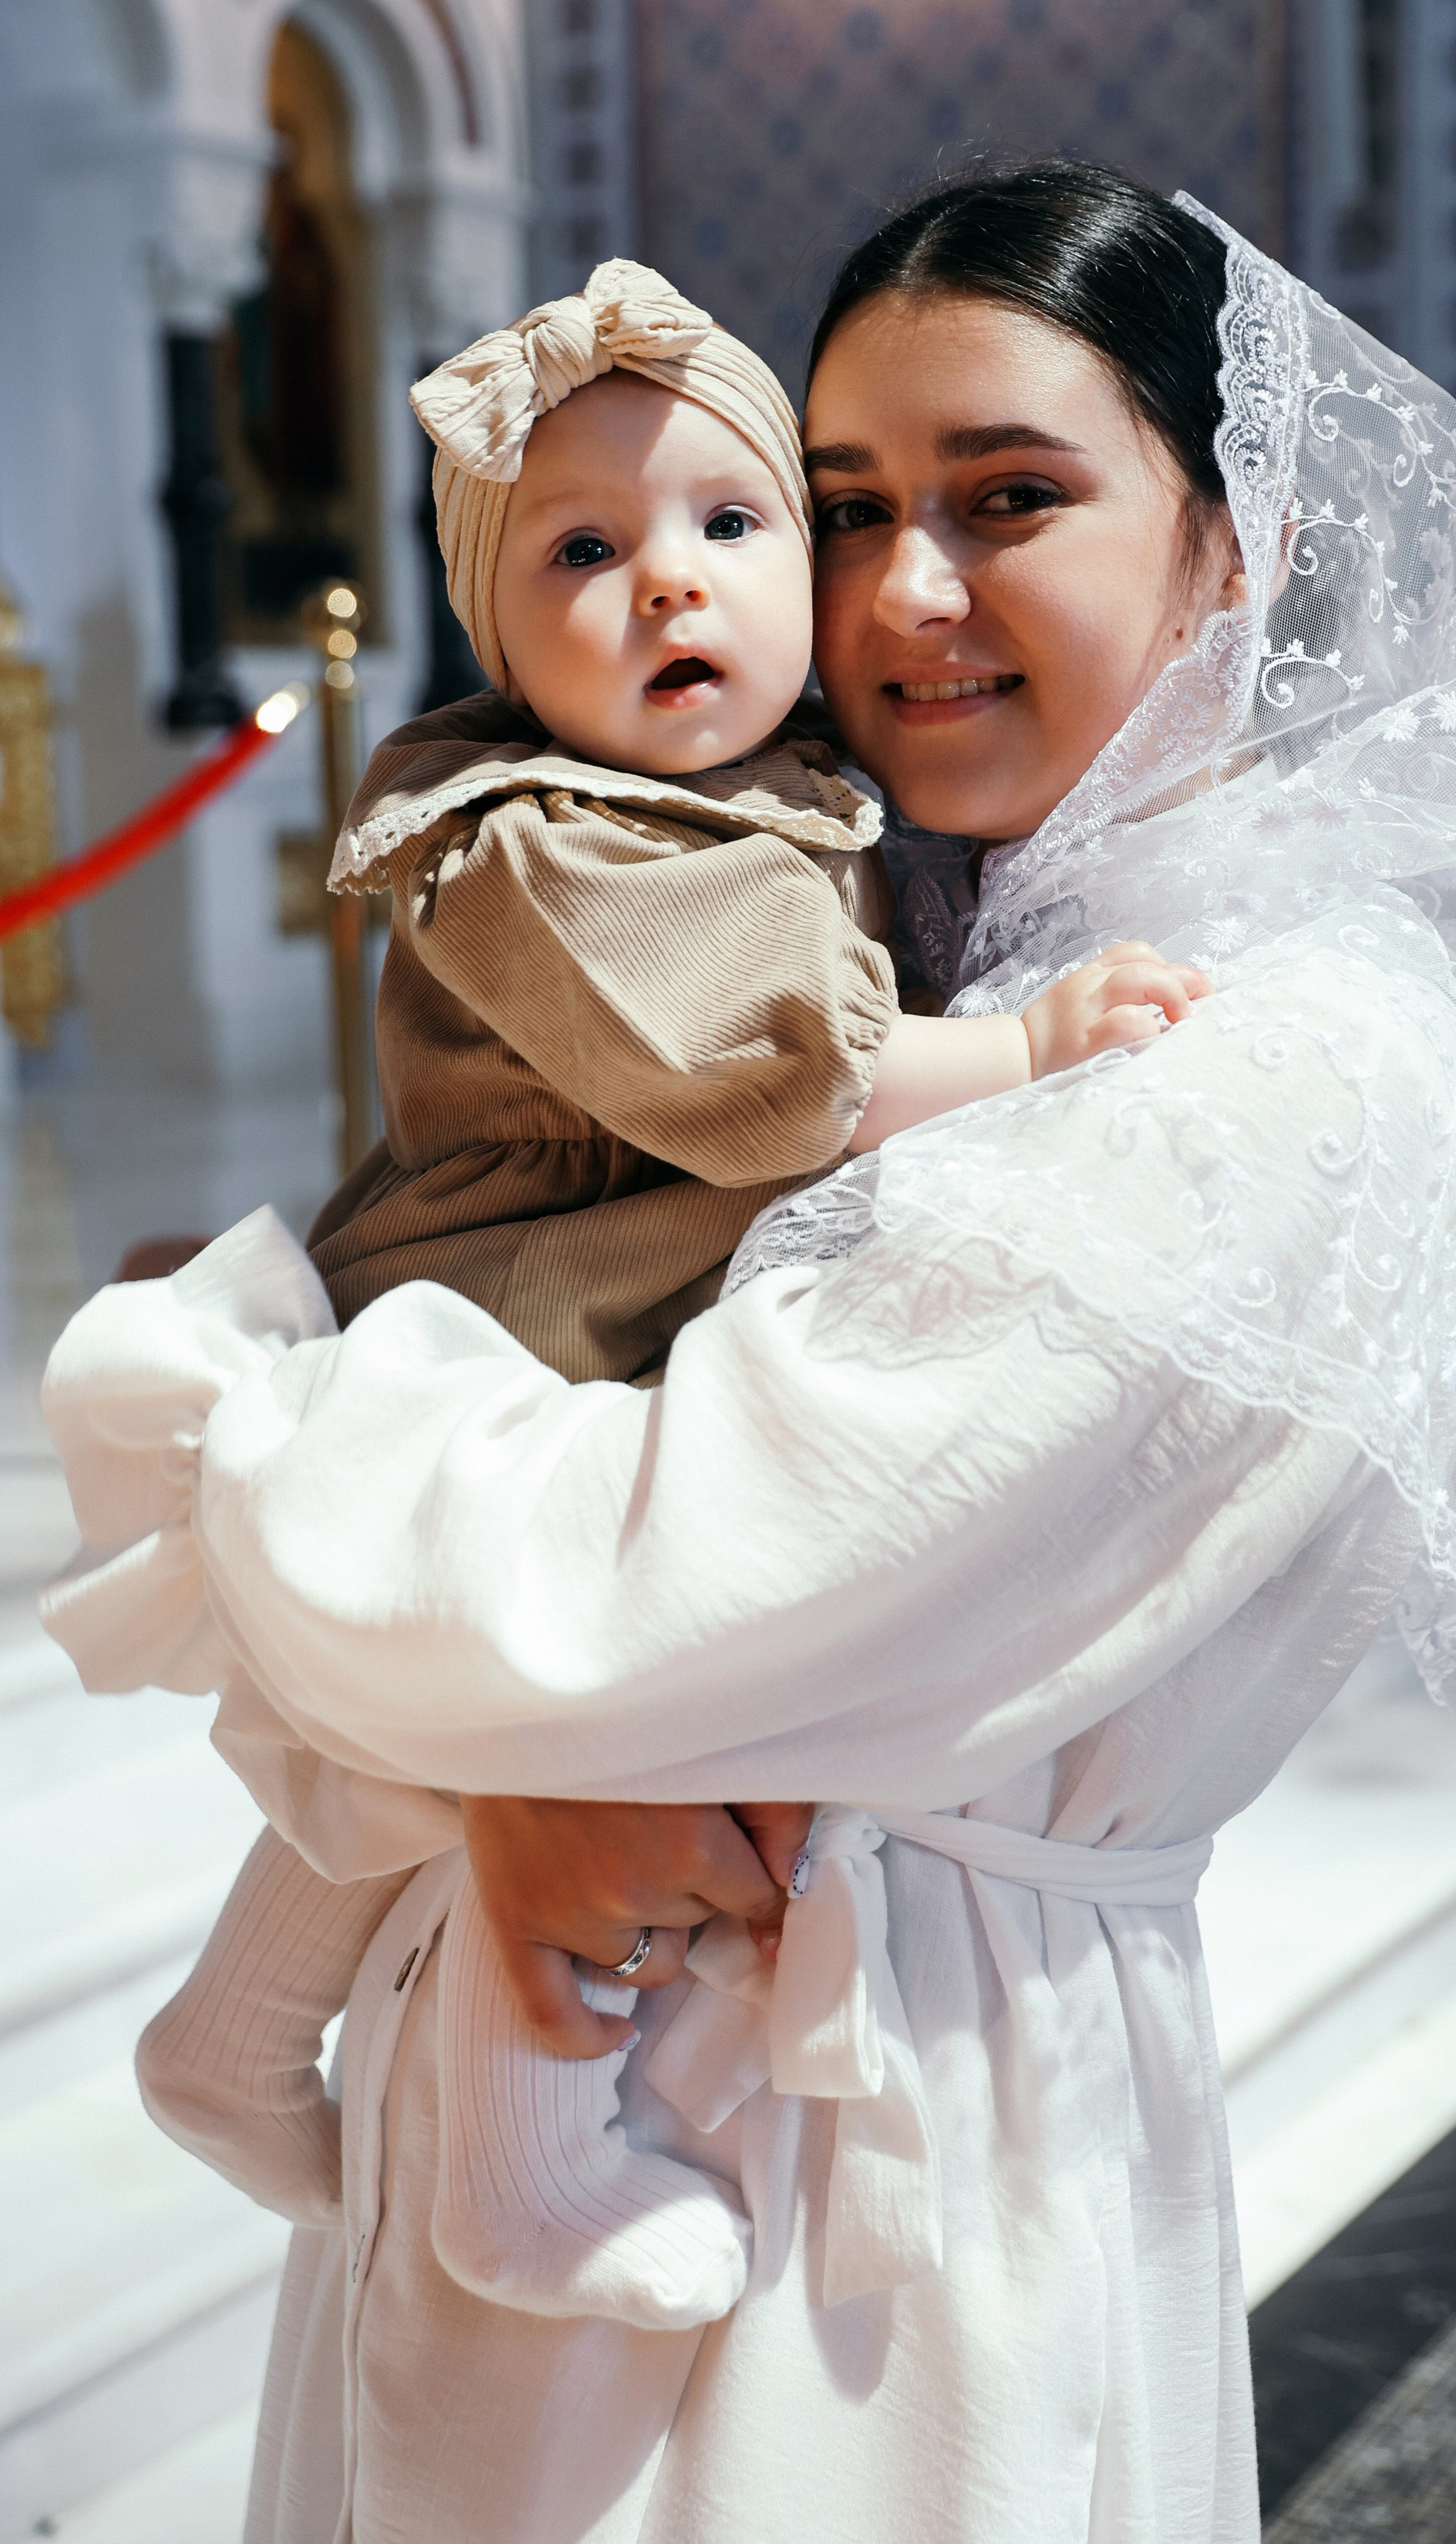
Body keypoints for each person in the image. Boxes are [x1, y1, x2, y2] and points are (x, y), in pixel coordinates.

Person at [43, 164, 1456, 2544]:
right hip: (675, 2064)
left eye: (1010, 500)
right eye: (846, 507)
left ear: (1236, 539)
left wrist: (268, 1396)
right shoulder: (947, 938)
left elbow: (599, 1607)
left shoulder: (1279, 1054)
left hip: (873, 2186)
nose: (904, 599)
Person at [116, 255, 1205, 2338]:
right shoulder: (540, 837)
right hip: (535, 1319)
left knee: (464, 1726)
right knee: (551, 1696)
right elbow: (768, 1070)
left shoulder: (772, 787)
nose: (671, 586)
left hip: (634, 1293)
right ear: (501, 639)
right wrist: (1039, 1046)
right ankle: (525, 2172)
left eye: (731, 526)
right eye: (587, 554)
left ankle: (232, 2027)